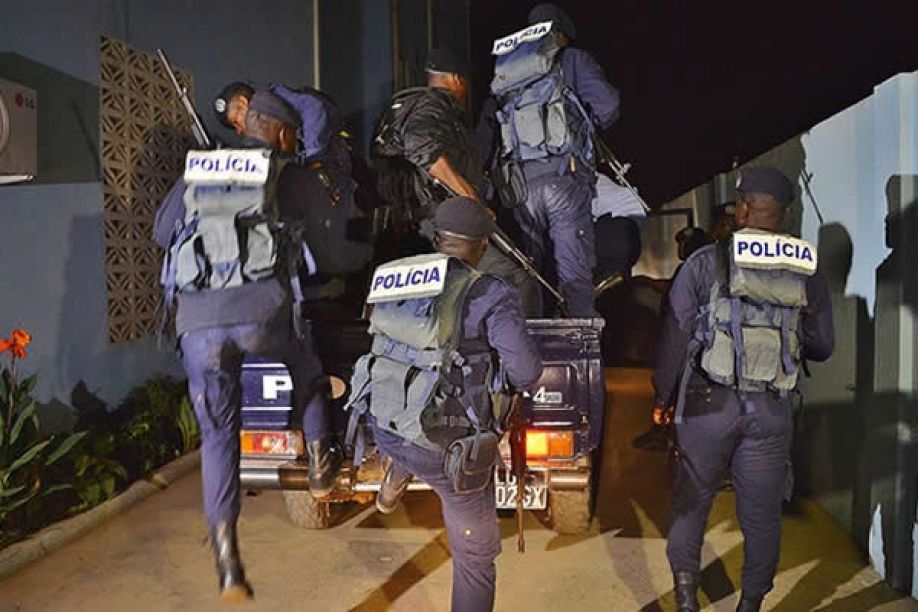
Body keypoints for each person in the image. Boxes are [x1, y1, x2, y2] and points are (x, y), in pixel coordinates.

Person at [154, 91, 342, 601]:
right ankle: (320, 462)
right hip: (259, 314)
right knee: (305, 363)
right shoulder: (288, 173)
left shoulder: (200, 169)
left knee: (218, 436)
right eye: (293, 134)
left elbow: (162, 231)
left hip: (197, 324)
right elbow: (329, 249)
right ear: (280, 132)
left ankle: (227, 559)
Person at [345, 196, 543, 611]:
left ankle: (394, 478)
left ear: (437, 240)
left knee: (415, 421)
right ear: (482, 247)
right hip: (445, 446)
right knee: (475, 559)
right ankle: (405, 470)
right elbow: (526, 372)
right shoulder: (490, 292)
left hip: (385, 422)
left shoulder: (396, 274)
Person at [652, 167, 834, 612]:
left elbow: (675, 337)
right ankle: (751, 603)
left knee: (692, 503)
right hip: (770, 408)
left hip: (707, 406)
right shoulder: (805, 269)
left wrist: (662, 397)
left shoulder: (705, 262)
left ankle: (686, 599)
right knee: (761, 515)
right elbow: (823, 345)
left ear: (743, 209)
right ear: (784, 213)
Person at [372, 48, 539, 314]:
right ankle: (518, 341)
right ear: (458, 80)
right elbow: (422, 148)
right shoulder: (433, 105)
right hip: (441, 221)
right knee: (516, 280)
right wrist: (471, 200)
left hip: (423, 221)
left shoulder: (417, 108)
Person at [489, 3, 621, 317]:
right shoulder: (572, 59)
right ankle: (580, 342)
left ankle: (531, 339)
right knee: (575, 274)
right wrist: (586, 123)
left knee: (532, 274)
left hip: (521, 188)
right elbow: (608, 106)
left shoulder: (510, 72)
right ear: (559, 34)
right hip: (563, 180)